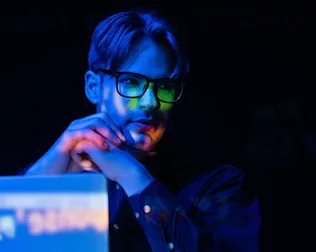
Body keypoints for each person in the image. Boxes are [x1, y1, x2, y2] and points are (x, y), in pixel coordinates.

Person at [22, 8, 260, 251]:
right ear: (94, 87)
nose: (150, 102)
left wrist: (133, 177)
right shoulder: (63, 171)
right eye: (131, 82)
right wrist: (52, 162)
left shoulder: (219, 185)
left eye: (164, 86)